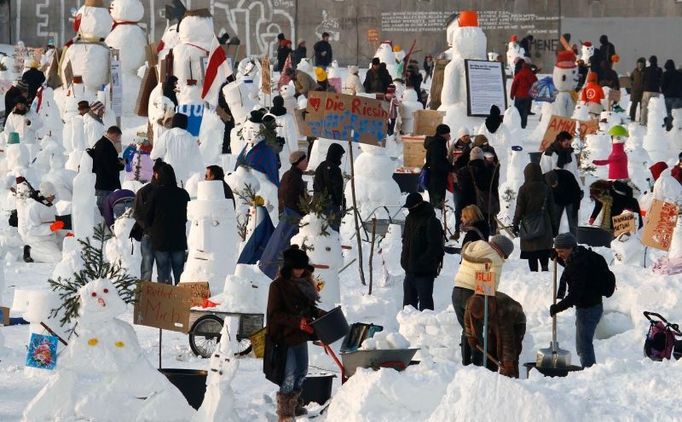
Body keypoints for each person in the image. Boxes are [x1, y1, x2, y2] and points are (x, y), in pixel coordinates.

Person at [265, 245, 326, 420]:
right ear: (288, 268)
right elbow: (275, 314)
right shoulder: (277, 286)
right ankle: (285, 412)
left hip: (301, 334)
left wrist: (319, 314)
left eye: (302, 268)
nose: (299, 272)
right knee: (290, 374)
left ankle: (295, 405)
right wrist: (297, 322)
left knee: (302, 371)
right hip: (285, 336)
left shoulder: (306, 283)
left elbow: (309, 307)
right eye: (296, 268)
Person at [550, 233, 613, 368]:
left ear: (571, 248)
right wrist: (559, 256)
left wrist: (558, 307)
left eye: (561, 251)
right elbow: (573, 268)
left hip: (587, 309)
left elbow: (575, 294)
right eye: (557, 251)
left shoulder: (578, 265)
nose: (559, 254)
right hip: (594, 305)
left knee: (583, 345)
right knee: (584, 343)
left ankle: (589, 371)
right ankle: (589, 369)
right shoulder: (583, 255)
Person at [452, 235, 514, 366]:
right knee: (476, 332)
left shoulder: (474, 247)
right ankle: (477, 366)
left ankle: (466, 364)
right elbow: (491, 287)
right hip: (473, 297)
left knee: (467, 330)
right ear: (502, 251)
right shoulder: (495, 258)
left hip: (457, 292)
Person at [259, 151, 309, 280]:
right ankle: (271, 271)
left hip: (289, 214)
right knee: (282, 245)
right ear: (298, 162)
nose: (306, 162)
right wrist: (302, 212)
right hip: (292, 216)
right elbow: (291, 198)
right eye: (304, 160)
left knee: (281, 244)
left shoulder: (291, 175)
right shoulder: (293, 177)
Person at [144, 163, 190, 285]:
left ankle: (166, 300)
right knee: (180, 272)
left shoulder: (155, 193)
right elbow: (188, 215)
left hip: (160, 240)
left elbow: (147, 216)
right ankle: (181, 298)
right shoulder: (183, 194)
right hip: (178, 238)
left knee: (163, 272)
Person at [464, 292, 526, 377]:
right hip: (494, 321)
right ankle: (490, 379)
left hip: (516, 322)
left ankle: (511, 379)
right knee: (491, 349)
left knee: (512, 356)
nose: (481, 319)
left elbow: (507, 338)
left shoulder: (502, 309)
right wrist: (471, 336)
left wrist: (508, 361)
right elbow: (468, 321)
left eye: (482, 317)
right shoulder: (471, 304)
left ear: (487, 310)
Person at [400, 193, 444, 311]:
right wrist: (404, 260)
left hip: (424, 273)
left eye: (411, 207)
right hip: (409, 271)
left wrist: (422, 262)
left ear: (418, 205)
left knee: (426, 308)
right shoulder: (409, 218)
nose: (409, 209)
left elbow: (435, 247)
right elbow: (405, 240)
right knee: (408, 308)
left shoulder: (431, 221)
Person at [513, 163, 556, 272]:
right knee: (543, 248)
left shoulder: (523, 189)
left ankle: (534, 271)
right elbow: (552, 209)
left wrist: (515, 223)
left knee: (531, 250)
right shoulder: (546, 188)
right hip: (544, 222)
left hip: (528, 223)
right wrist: (554, 227)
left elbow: (519, 208)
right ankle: (545, 267)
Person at [150, 113, 204, 188]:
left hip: (168, 175)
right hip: (185, 177)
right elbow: (198, 163)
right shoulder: (190, 138)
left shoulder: (167, 135)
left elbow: (154, 155)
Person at [133, 159, 163, 282]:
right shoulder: (144, 191)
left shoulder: (168, 190)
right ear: (155, 173)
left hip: (163, 235)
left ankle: (166, 296)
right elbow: (137, 213)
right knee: (147, 267)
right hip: (148, 234)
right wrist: (148, 227)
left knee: (163, 268)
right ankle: (144, 295)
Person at [21, 181, 63, 263]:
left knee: (69, 250)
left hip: (52, 237)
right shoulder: (33, 207)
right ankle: (30, 252)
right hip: (39, 240)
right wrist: (51, 227)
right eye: (52, 195)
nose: (54, 197)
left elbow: (56, 222)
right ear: (47, 195)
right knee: (58, 258)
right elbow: (32, 229)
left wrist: (65, 233)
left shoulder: (50, 205)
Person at [88, 126, 124, 215]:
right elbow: (109, 166)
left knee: (105, 206)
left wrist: (117, 161)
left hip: (103, 182)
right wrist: (121, 165)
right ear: (114, 135)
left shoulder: (102, 143)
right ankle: (104, 226)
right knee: (105, 208)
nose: (118, 140)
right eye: (118, 137)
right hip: (106, 183)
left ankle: (105, 225)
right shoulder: (105, 145)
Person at [313, 143, 345, 231]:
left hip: (318, 203)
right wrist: (342, 203)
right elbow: (337, 189)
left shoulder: (321, 166)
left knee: (320, 229)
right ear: (336, 155)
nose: (341, 158)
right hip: (331, 205)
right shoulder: (335, 169)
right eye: (340, 156)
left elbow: (315, 185)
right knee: (332, 232)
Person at [448, 127, 472, 237]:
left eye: (468, 136)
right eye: (464, 136)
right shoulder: (454, 147)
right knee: (458, 206)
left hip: (469, 181)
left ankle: (470, 229)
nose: (467, 138)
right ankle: (457, 229)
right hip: (457, 181)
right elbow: (449, 161)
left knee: (470, 206)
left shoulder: (472, 146)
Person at [544, 169, 581, 236]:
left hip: (571, 200)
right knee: (554, 222)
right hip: (556, 201)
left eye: (554, 184)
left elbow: (577, 193)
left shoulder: (567, 175)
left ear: (557, 179)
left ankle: (574, 241)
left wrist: (575, 209)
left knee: (573, 223)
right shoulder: (544, 178)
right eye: (551, 185)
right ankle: (553, 239)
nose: (553, 186)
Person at [424, 124, 453, 208]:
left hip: (435, 178)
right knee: (437, 205)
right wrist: (450, 168)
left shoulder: (437, 143)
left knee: (437, 204)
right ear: (443, 134)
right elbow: (437, 163)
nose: (449, 135)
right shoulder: (438, 145)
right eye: (448, 133)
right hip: (436, 180)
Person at [510, 62, 537, 128]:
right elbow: (536, 84)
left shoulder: (519, 74)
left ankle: (517, 123)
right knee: (525, 110)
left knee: (517, 110)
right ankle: (523, 124)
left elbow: (514, 85)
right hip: (527, 96)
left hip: (518, 96)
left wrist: (512, 94)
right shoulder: (531, 74)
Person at [641, 55, 662, 126]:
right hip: (655, 91)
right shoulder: (659, 69)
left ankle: (643, 122)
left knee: (644, 107)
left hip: (646, 90)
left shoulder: (646, 69)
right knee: (654, 107)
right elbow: (661, 79)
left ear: (649, 61)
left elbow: (643, 79)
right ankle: (653, 123)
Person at [662, 59, 682, 131]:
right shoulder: (679, 74)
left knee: (669, 113)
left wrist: (665, 92)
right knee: (677, 113)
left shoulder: (665, 74)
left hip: (668, 97)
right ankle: (677, 127)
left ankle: (669, 128)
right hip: (678, 97)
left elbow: (663, 85)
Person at [629, 58, 646, 122]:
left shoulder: (645, 71)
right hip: (635, 91)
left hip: (642, 91)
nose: (640, 65)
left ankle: (641, 119)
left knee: (642, 106)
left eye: (641, 63)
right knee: (633, 105)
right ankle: (631, 118)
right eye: (638, 63)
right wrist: (632, 84)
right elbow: (631, 78)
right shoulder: (635, 70)